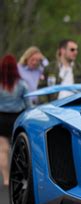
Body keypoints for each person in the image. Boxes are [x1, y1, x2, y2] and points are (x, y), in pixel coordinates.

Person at [0, 54, 32, 186]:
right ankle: (18, 176)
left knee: (3, 150)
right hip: (17, 118)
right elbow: (28, 104)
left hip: (1, 118)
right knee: (17, 149)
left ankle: (6, 179)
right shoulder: (22, 84)